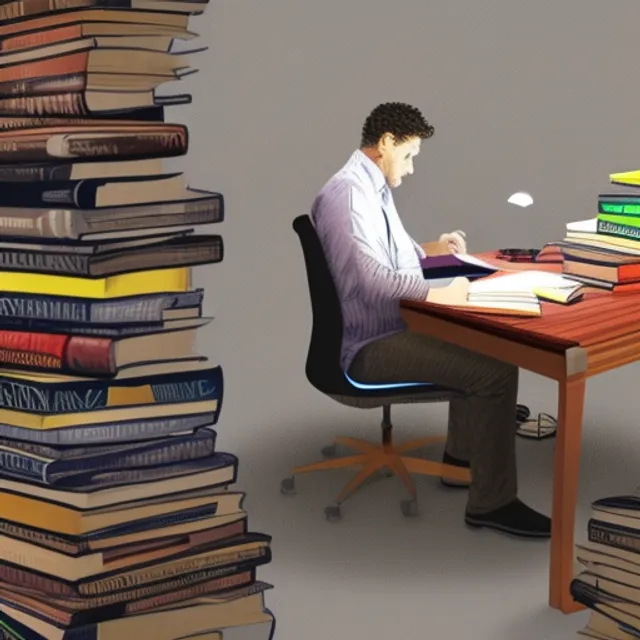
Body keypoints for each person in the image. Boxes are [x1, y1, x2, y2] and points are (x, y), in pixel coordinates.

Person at [310, 101, 550, 538]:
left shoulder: (372, 189)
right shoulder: (347, 195)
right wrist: (441, 291)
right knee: (495, 370)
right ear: (386, 143)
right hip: (368, 347)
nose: (413, 167)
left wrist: (435, 249)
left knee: (480, 344)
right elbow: (370, 277)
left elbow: (390, 255)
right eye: (410, 155)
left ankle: (459, 464)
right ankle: (492, 503)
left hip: (387, 329)